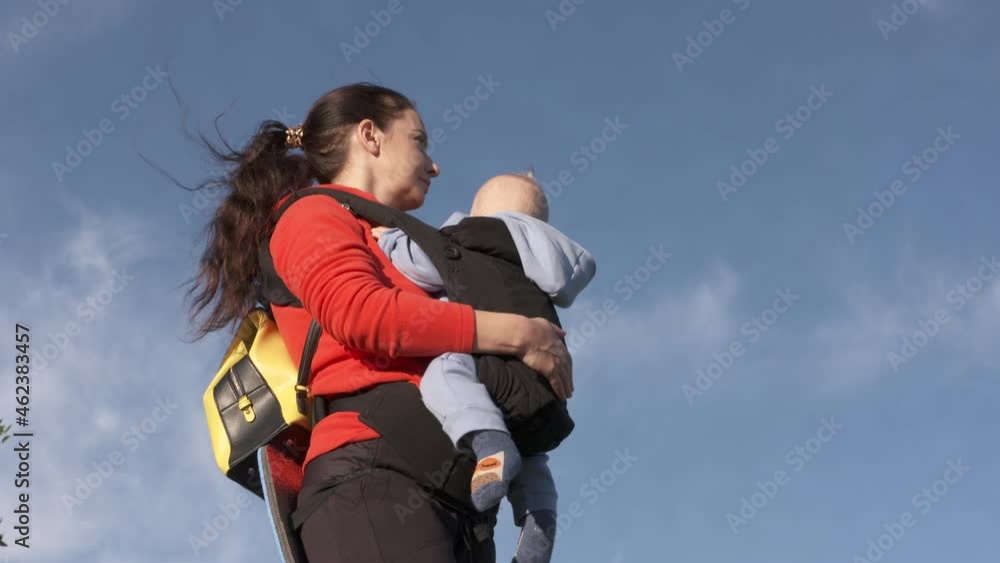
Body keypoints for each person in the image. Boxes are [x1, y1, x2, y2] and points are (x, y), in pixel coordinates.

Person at [185, 82, 573, 563]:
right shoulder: (311, 214)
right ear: (370, 135)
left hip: (459, 510)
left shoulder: (395, 244)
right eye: (419, 141)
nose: (434, 165)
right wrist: (519, 334)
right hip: (375, 487)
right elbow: (359, 312)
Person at [372, 172, 596, 563]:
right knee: (532, 452)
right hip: (544, 386)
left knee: (443, 372)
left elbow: (421, 263)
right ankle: (539, 518)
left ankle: (487, 441)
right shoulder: (545, 263)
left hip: (487, 363)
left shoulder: (473, 235)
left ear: (477, 212)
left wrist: (389, 238)